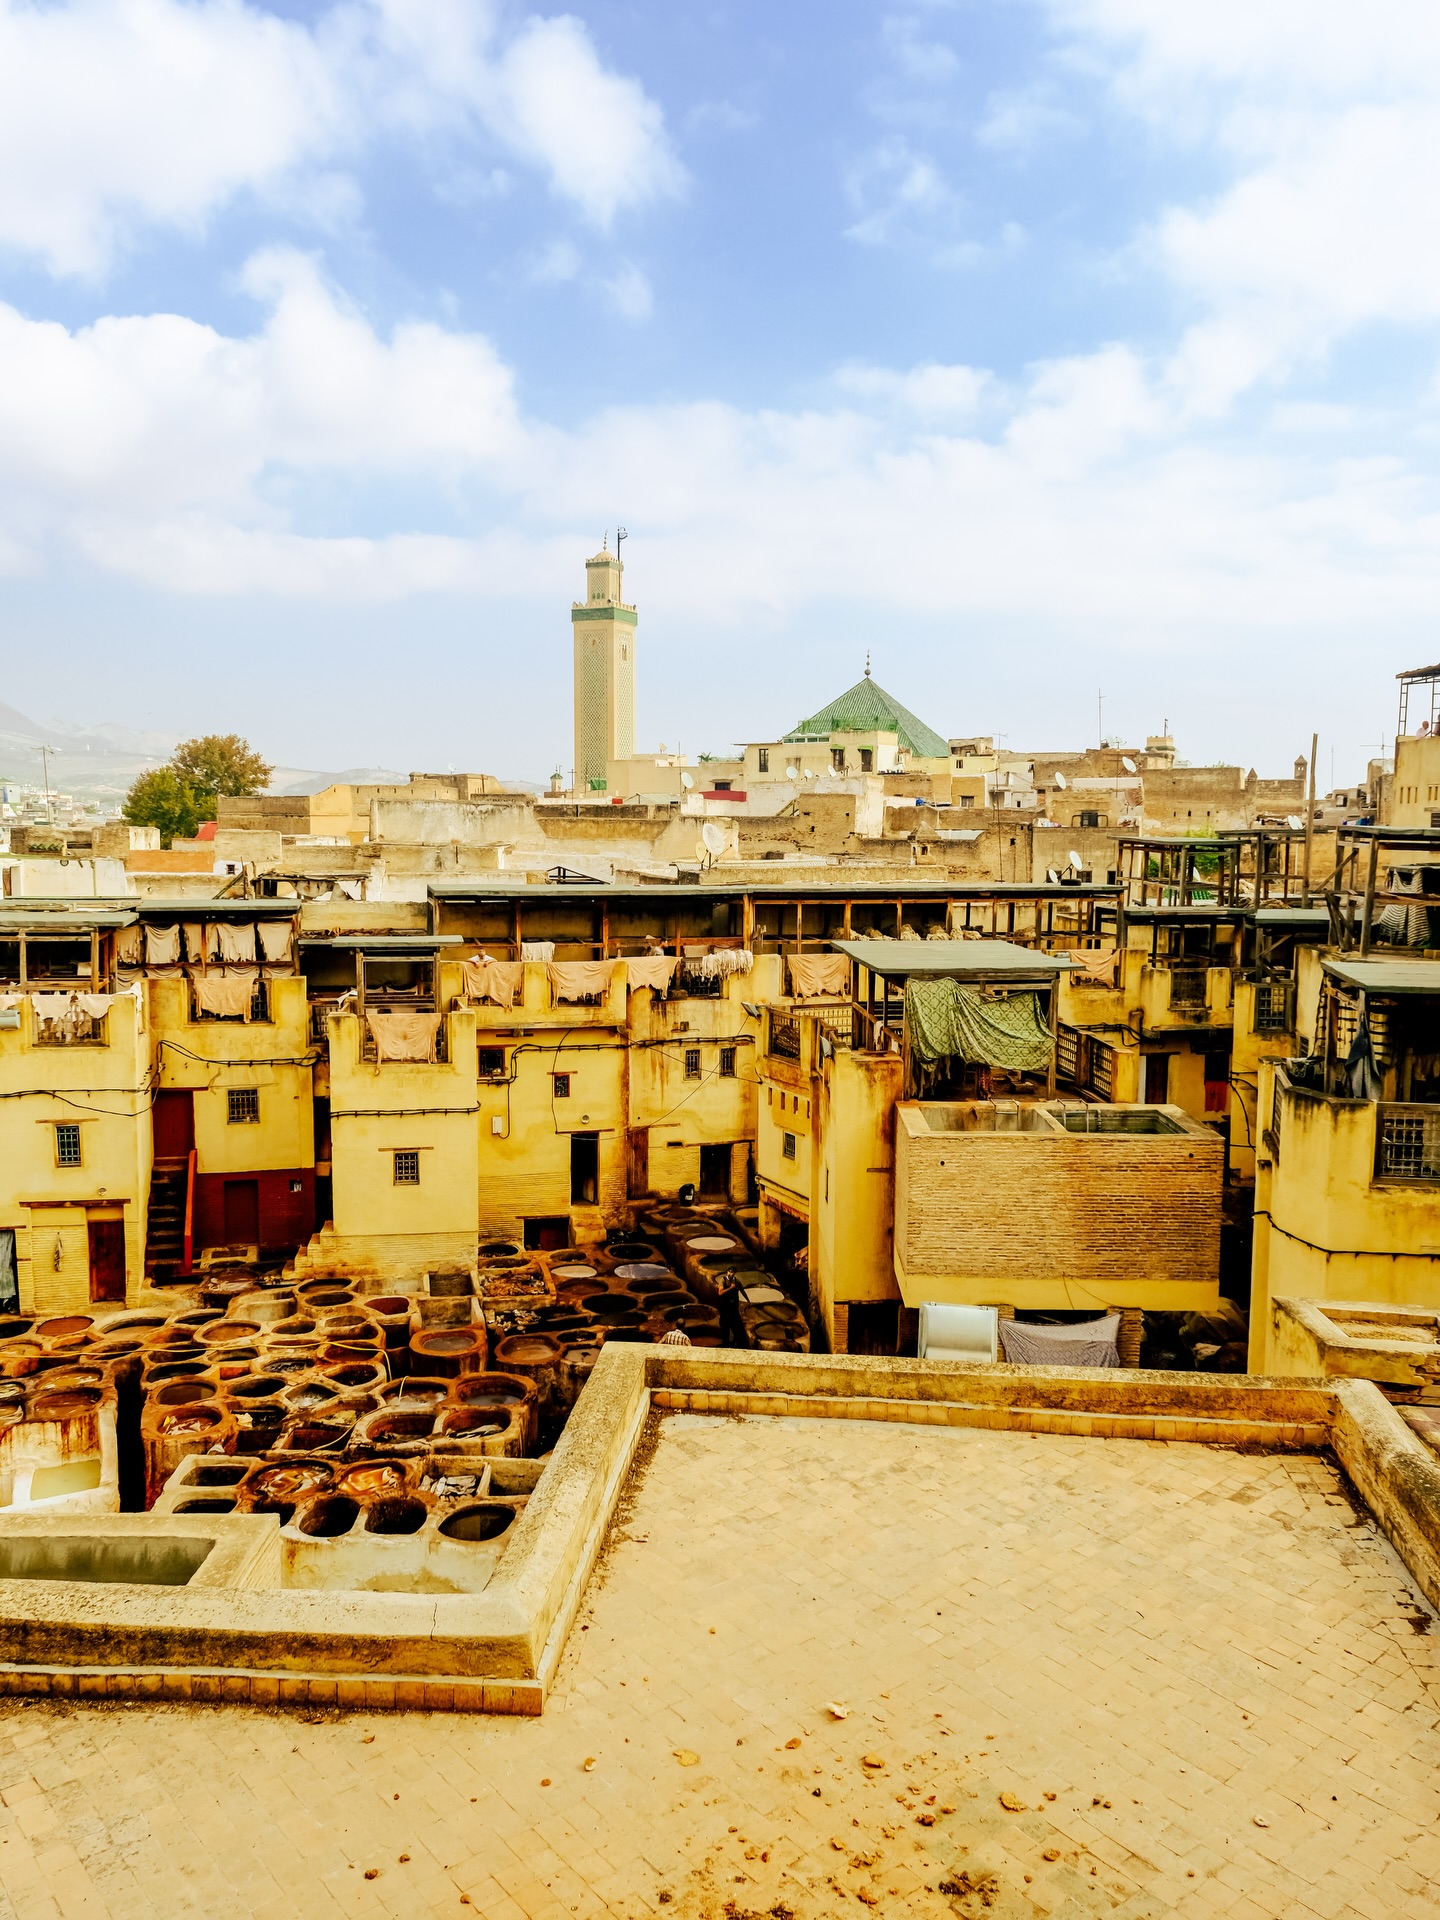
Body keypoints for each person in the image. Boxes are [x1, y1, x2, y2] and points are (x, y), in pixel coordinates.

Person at [715, 1268, 746, 1348]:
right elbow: (720, 1292)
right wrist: (730, 1288)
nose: (729, 1273)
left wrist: (748, 1300)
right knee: (725, 1326)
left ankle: (736, 1342)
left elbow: (743, 1291)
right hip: (725, 1308)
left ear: (734, 1273)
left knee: (736, 1326)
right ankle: (725, 1342)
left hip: (734, 1309)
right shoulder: (723, 1280)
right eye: (728, 1271)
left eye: (731, 1272)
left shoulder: (736, 1281)